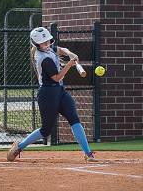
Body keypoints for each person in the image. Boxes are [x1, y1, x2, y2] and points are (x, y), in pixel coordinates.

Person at [7, 27, 96, 162]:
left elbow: (61, 50)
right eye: (43, 43)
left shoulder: (48, 48)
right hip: (47, 94)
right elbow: (57, 77)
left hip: (60, 91)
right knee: (46, 130)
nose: (47, 44)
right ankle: (19, 147)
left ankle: (88, 153)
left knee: (74, 118)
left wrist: (70, 54)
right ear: (36, 44)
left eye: (48, 41)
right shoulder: (42, 58)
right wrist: (70, 64)